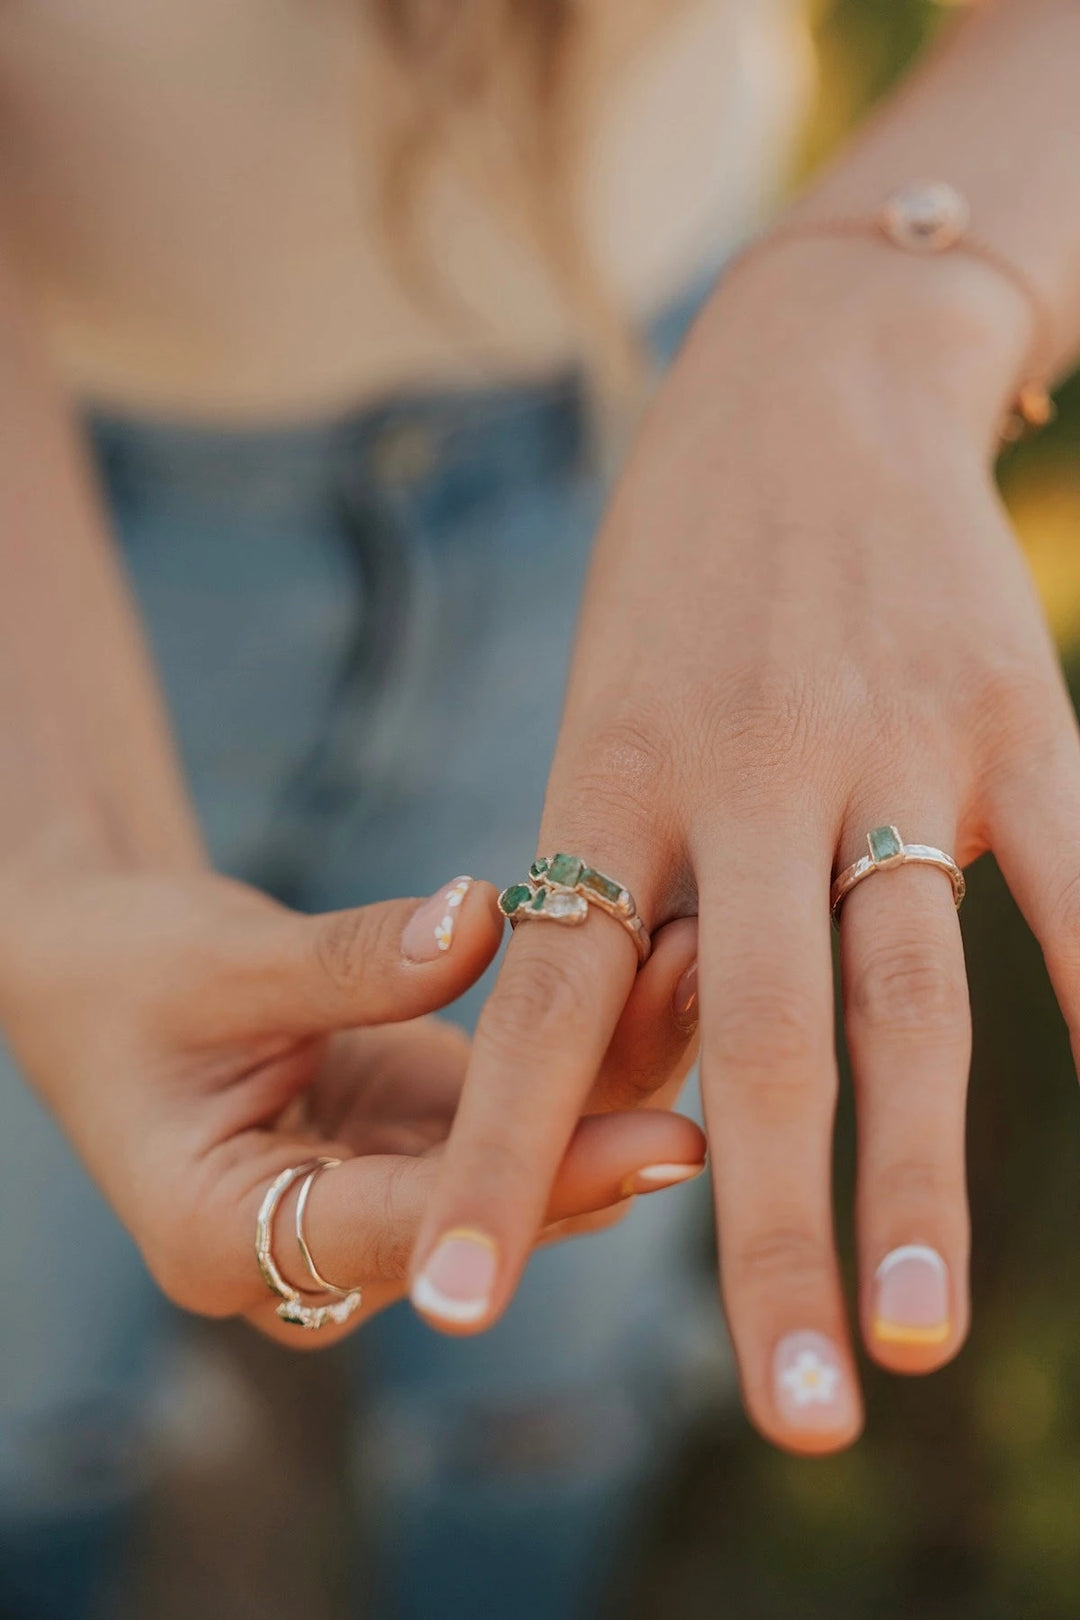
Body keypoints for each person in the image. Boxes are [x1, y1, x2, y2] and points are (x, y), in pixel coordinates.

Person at [3, 0, 1079, 1612]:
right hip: (63, 507)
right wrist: (59, 856)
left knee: (562, 1291)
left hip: (671, 452)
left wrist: (876, 314)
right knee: (26, 1348)